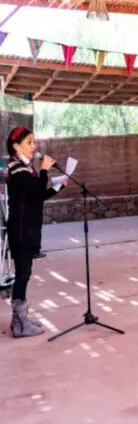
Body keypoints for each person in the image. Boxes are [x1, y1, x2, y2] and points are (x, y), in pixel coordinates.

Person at [5, 126, 66, 337]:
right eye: (29, 142)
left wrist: (59, 187)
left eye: (34, 142)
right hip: (21, 229)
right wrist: (45, 170)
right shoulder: (17, 169)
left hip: (27, 228)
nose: (34, 146)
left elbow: (37, 197)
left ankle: (20, 320)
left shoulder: (25, 168)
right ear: (16, 146)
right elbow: (38, 190)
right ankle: (20, 324)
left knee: (25, 273)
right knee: (22, 273)